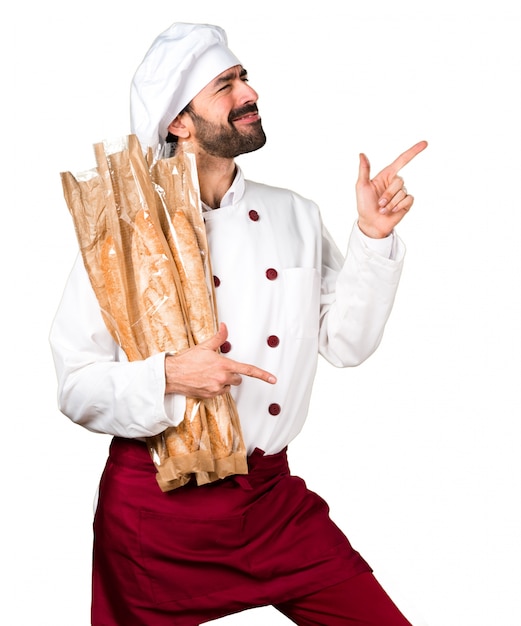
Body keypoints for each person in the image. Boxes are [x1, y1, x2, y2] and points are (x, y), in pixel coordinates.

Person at [50, 21, 427, 626]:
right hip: (159, 509)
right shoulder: (125, 232)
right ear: (179, 122)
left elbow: (346, 343)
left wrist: (372, 240)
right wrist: (170, 376)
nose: (249, 93)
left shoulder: (293, 214)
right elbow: (75, 386)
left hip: (272, 503)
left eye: (244, 77)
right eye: (225, 85)